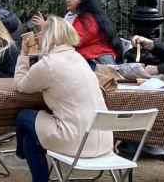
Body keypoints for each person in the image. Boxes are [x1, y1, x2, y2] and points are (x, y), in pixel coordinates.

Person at [14, 16, 112, 182]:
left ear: (49, 36)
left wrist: (23, 54)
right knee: (30, 138)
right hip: (104, 141)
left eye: (42, 33)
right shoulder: (80, 59)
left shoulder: (49, 64)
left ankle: (21, 154)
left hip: (76, 142)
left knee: (24, 116)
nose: (39, 36)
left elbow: (21, 86)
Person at [32, 0, 117, 66]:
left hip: (96, 61)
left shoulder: (88, 20)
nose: (67, 0)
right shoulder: (72, 16)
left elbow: (73, 41)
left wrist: (46, 29)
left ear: (83, 1)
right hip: (87, 58)